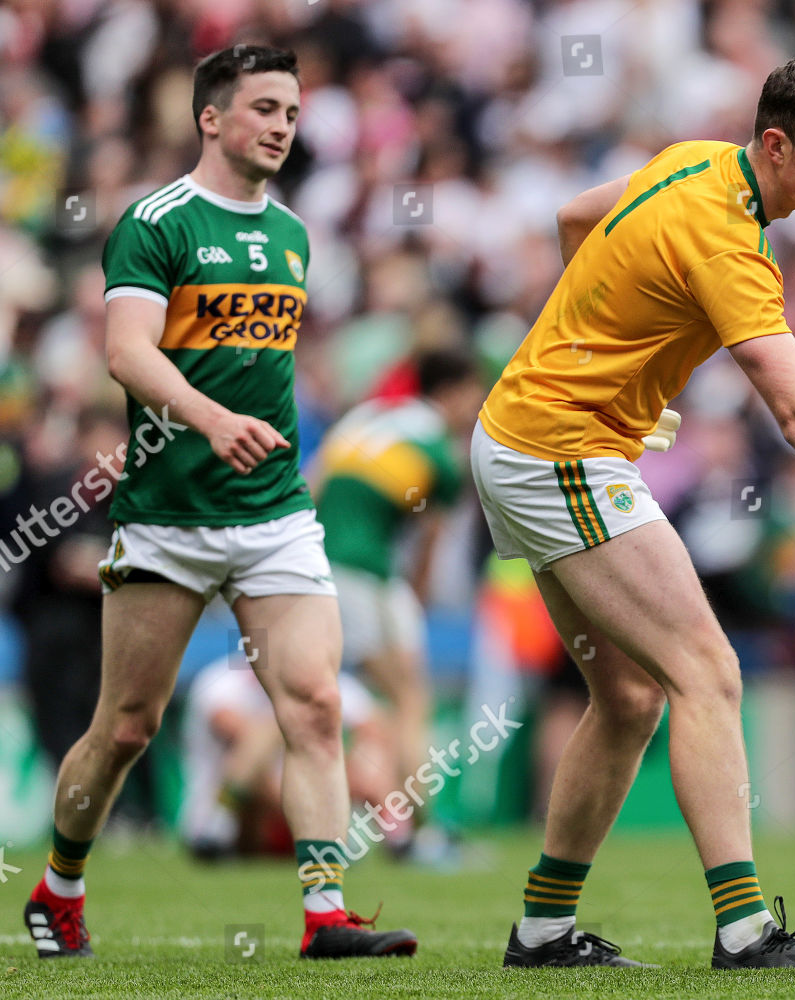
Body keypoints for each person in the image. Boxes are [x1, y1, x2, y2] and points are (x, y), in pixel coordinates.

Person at [471, 55, 795, 968]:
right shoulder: (732, 248)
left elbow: (574, 217)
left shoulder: (690, 159)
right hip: (558, 449)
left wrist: (604, 356)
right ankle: (746, 933)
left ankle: (544, 931)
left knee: (629, 698)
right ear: (777, 144)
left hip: (525, 434)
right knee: (707, 673)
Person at [23, 45, 416, 960]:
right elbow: (127, 352)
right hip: (167, 517)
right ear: (211, 116)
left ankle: (326, 915)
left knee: (316, 703)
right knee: (126, 728)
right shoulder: (154, 221)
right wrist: (210, 418)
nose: (283, 126)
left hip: (275, 511)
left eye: (292, 111)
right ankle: (59, 887)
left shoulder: (293, 235)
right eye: (266, 108)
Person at [311, 347, 484, 856]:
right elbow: (429, 544)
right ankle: (422, 833)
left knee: (329, 694)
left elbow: (313, 482)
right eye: (473, 395)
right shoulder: (439, 451)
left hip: (314, 564)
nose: (475, 408)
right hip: (364, 572)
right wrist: (417, 601)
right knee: (410, 698)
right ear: (452, 393)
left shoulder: (366, 415)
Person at [181, 653, 390, 861]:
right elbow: (231, 730)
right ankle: (217, 823)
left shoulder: (321, 680)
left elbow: (374, 729)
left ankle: (397, 836)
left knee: (368, 753)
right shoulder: (224, 680)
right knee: (277, 727)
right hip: (247, 822)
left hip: (297, 815)